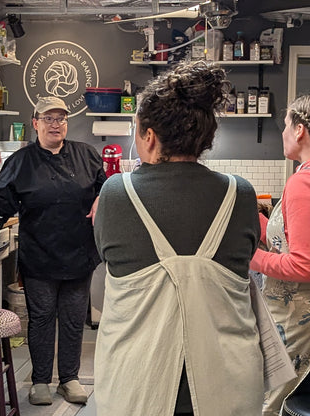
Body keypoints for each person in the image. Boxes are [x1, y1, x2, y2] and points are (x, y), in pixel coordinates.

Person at [93, 61, 264, 416]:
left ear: (150, 135)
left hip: (137, 388)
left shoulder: (116, 193)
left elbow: (107, 257)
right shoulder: (241, 194)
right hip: (230, 388)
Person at [0, 96, 106, 406]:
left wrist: (102, 198)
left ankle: (69, 379)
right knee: (42, 318)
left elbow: (104, 187)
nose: (55, 124)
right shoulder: (19, 162)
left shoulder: (87, 155)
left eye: (61, 118)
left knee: (72, 320)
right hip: (40, 253)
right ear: (36, 123)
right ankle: (41, 380)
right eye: (48, 118)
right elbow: (1, 205)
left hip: (79, 252)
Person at [250, 94, 310, 415]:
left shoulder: (302, 183)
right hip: (296, 316)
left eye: (285, 126)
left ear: (299, 130)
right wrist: (255, 222)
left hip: (296, 322)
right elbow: (289, 240)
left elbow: (303, 265)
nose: (283, 133)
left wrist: (250, 258)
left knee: (273, 404)